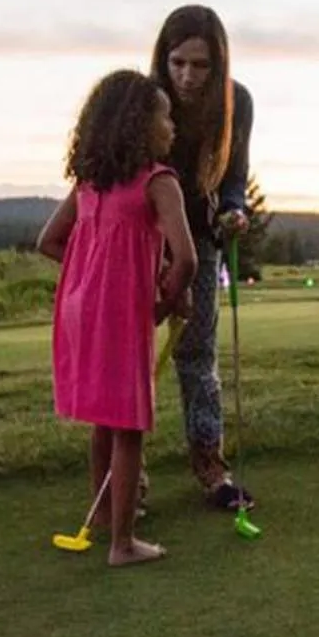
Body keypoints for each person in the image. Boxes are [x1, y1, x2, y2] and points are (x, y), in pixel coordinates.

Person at [37, 70, 196, 566]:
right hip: (121, 315)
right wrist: (167, 301)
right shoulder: (159, 181)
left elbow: (48, 241)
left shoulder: (90, 182)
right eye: (164, 116)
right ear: (139, 123)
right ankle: (123, 543)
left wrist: (96, 274)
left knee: (105, 419)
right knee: (128, 425)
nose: (171, 126)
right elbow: (187, 258)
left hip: (80, 311)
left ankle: (106, 514)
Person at [148, 5, 257, 512]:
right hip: (143, 238)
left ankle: (210, 467)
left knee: (198, 360)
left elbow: (233, 178)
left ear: (219, 66)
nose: (188, 76)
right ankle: (126, 481)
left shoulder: (238, 103)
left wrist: (234, 212)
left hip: (202, 238)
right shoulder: (144, 101)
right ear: (162, 60)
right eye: (177, 63)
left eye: (201, 65)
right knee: (132, 361)